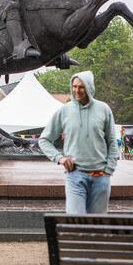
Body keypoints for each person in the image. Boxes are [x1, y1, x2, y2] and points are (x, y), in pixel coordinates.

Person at [39, 71, 119, 215]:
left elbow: (112, 141)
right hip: (75, 176)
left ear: (89, 87)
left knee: (97, 225)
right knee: (75, 222)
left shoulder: (104, 109)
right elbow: (44, 140)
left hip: (101, 177)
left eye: (81, 87)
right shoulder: (64, 111)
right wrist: (59, 158)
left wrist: (109, 169)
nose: (77, 90)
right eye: (74, 86)